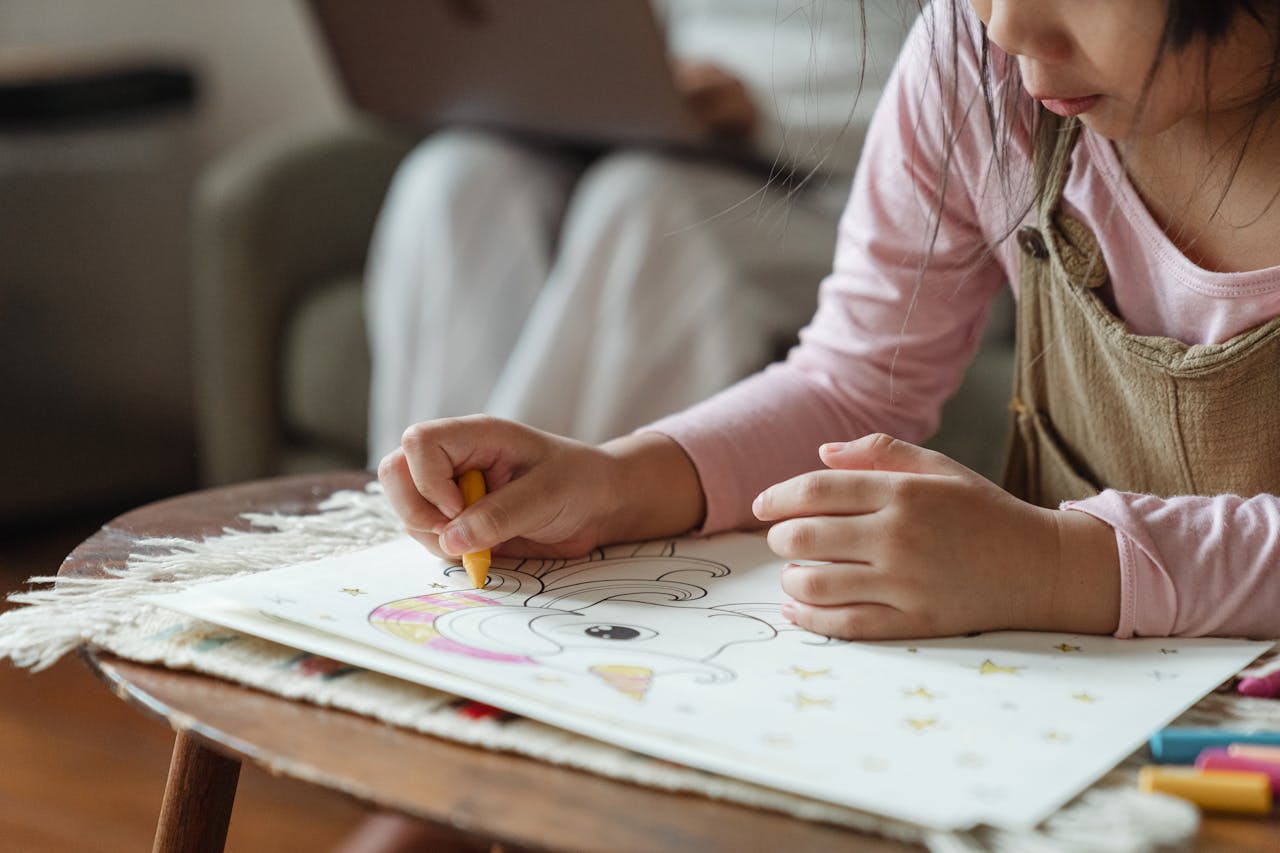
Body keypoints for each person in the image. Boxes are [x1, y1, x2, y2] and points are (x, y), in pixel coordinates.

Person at [376, 0, 1280, 643]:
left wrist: (1057, 565)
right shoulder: (976, 67)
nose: (1003, 23)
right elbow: (849, 384)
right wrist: (616, 480)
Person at [365, 0, 911, 461]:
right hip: (679, 137)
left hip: (841, 183)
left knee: (646, 202)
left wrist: (760, 107)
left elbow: (948, 92)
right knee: (453, 177)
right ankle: (416, 501)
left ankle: (534, 520)